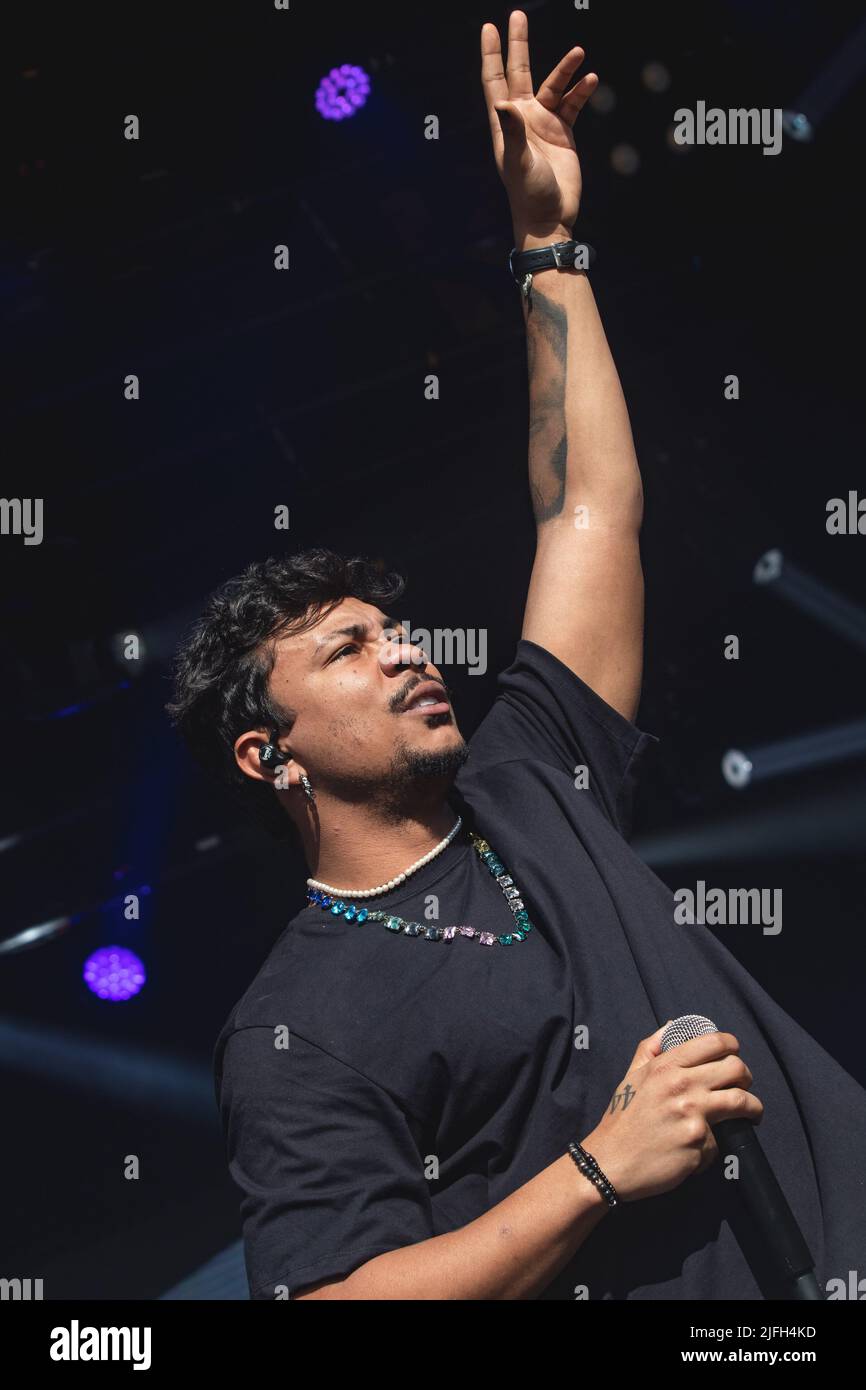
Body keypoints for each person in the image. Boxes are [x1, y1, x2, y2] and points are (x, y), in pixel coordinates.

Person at [167, 12, 866, 1300]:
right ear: (270, 753)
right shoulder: (293, 1031)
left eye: (398, 628)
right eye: (349, 649)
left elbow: (586, 507)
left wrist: (548, 244)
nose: (407, 652)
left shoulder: (531, 782)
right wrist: (601, 1167)